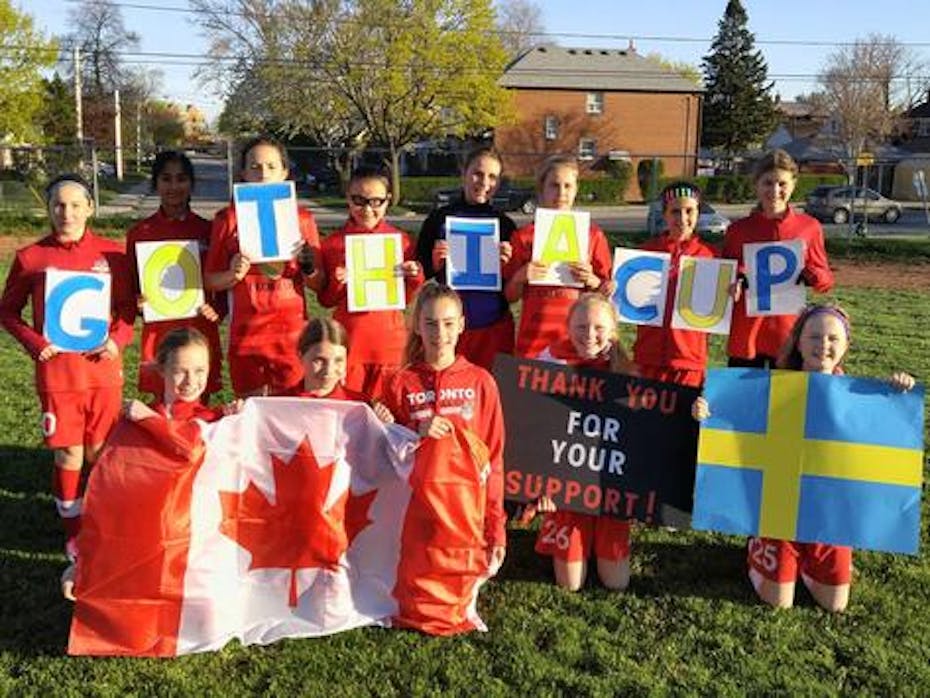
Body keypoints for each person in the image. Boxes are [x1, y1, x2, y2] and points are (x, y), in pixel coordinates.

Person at [693, 303, 915, 611]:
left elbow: (885, 432)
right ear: (798, 341)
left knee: (835, 605)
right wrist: (706, 410)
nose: (823, 345)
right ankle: (759, 545)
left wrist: (897, 392)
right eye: (814, 336)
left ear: (846, 345)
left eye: (833, 338)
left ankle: (812, 560)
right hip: (779, 512)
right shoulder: (773, 388)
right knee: (778, 602)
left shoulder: (856, 398)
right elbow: (732, 420)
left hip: (829, 517)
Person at [0, 173, 135, 575]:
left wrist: (118, 340)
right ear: (49, 209)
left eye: (76, 205)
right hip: (60, 377)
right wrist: (35, 343)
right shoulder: (30, 258)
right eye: (59, 205)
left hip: (103, 373)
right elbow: (7, 311)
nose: (67, 213)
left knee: (100, 454)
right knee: (69, 452)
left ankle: (105, 524)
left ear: (90, 208)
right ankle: (74, 532)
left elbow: (127, 308)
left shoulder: (113, 255)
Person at [66, 327, 242, 599]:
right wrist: (81, 565)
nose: (190, 381)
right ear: (161, 370)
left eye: (200, 371)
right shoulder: (133, 424)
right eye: (181, 370)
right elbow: (110, 498)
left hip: (195, 545)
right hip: (144, 540)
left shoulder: (212, 421)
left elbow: (191, 446)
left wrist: (240, 420)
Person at [381, 282, 506, 631]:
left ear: (463, 324)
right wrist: (410, 428)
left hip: (465, 518)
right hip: (414, 518)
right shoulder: (400, 383)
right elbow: (382, 452)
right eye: (431, 324)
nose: (440, 333)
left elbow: (493, 459)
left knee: (455, 601)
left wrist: (495, 528)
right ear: (417, 326)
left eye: (449, 323)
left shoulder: (481, 383)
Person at [204, 136, 322, 397]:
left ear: (284, 172)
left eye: (271, 166)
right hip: (247, 339)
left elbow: (318, 284)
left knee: (291, 421)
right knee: (252, 421)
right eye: (255, 167)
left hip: (292, 337)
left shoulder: (302, 219)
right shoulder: (227, 219)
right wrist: (232, 274)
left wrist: (309, 267)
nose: (263, 174)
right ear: (243, 173)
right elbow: (210, 280)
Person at [533, 294, 637, 591]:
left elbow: (641, 438)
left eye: (598, 328)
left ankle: (605, 539)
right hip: (567, 487)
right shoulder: (549, 361)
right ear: (568, 326)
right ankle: (570, 535)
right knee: (570, 584)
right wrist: (541, 484)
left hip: (609, 491)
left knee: (617, 583)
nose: (589, 335)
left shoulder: (627, 371)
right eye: (581, 326)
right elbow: (534, 428)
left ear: (613, 331)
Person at [126, 151, 224, 402]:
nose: (173, 186)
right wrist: (137, 304)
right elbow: (131, 288)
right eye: (166, 179)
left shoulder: (209, 230)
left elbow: (221, 288)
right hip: (160, 330)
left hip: (199, 328)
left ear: (191, 183)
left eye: (181, 179)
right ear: (155, 184)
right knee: (163, 404)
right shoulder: (140, 233)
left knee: (196, 399)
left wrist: (217, 310)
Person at [318, 165, 424, 397]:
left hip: (390, 345)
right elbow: (326, 300)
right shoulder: (333, 244)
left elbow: (403, 298)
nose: (367, 209)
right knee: (350, 417)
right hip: (350, 344)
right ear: (348, 198)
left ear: (388, 200)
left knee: (389, 417)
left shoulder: (402, 242)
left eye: (376, 201)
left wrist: (415, 276)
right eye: (359, 200)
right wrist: (338, 282)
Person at [723, 149, 833, 368]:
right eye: (768, 183)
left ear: (793, 184)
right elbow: (727, 275)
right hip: (747, 335)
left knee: (786, 402)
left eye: (782, 183)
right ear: (756, 185)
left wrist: (812, 274)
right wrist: (735, 282)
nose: (775, 190)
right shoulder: (738, 231)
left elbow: (826, 281)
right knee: (745, 401)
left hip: (789, 336)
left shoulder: (809, 227)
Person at [415, 146, 517, 370]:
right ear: (464, 173)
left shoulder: (506, 225)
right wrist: (434, 262)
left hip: (494, 327)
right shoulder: (439, 218)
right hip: (449, 329)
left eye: (493, 177)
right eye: (478, 174)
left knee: (492, 394)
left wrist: (508, 266)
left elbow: (514, 289)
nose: (484, 182)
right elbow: (419, 273)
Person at [504, 155, 613, 359]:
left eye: (568, 186)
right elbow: (510, 296)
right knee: (530, 390)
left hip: (579, 338)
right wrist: (520, 276)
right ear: (541, 189)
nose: (561, 193)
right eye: (554, 185)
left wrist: (593, 280)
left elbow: (607, 294)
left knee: (572, 390)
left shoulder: (593, 236)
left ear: (576, 189)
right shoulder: (524, 236)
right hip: (534, 336)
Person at [633, 181, 717, 388]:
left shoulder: (711, 257)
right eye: (675, 211)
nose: (682, 218)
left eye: (689, 211)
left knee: (682, 419)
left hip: (689, 359)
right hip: (648, 356)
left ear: (698, 213)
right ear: (665, 214)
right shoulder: (645, 253)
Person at [292, 317, 394, 423]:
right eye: (319, 360)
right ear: (301, 356)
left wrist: (383, 426)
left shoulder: (360, 406)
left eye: (338, 361)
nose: (329, 370)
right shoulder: (280, 403)